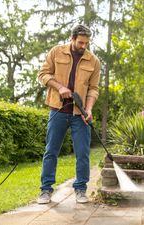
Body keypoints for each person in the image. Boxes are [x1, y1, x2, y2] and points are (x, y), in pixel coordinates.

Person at [37, 24, 100, 204]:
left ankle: (81, 189)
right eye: (80, 42)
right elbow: (43, 74)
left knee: (82, 153)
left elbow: (94, 89)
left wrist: (88, 109)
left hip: (79, 115)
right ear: (72, 39)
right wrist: (60, 87)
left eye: (86, 43)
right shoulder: (56, 52)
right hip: (57, 111)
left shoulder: (93, 61)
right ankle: (46, 190)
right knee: (51, 151)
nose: (83, 46)